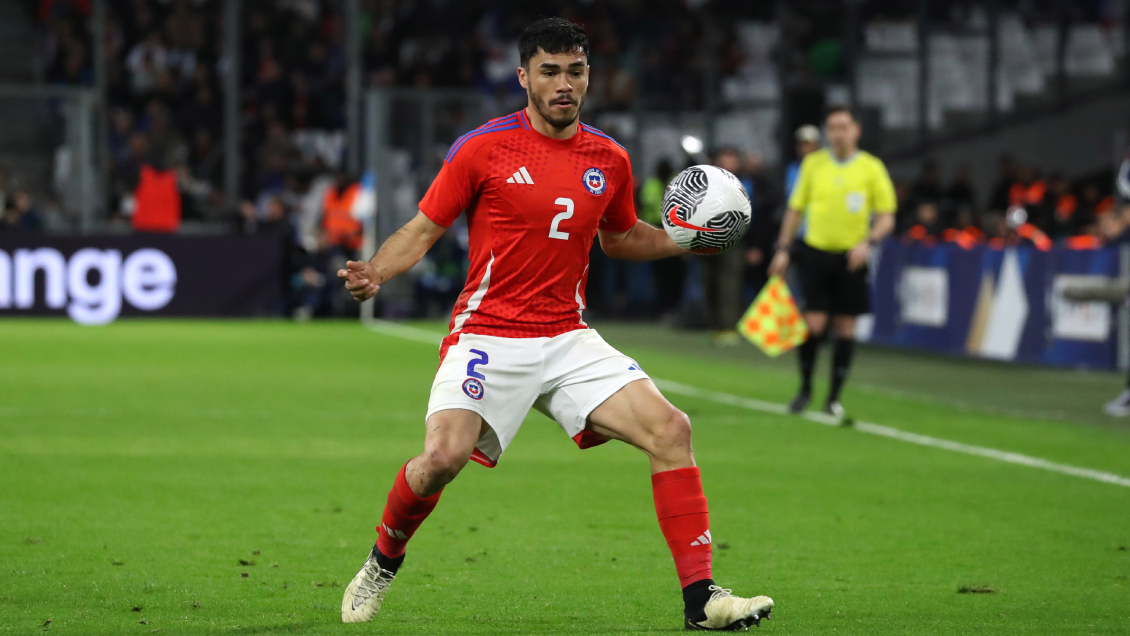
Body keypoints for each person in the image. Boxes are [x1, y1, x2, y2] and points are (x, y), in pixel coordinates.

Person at [335, 18, 773, 631]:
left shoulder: (609, 157)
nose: (564, 84)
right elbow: (424, 228)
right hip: (488, 332)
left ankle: (701, 600)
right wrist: (378, 271)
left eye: (576, 71)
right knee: (441, 456)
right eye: (550, 72)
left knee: (672, 430)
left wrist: (684, 241)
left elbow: (619, 239)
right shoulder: (482, 148)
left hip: (567, 336)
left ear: (589, 76)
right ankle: (383, 560)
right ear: (524, 78)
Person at [768, 106, 896, 420]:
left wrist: (868, 242)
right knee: (813, 324)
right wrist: (783, 248)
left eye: (844, 127)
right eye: (833, 127)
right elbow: (795, 209)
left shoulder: (871, 167)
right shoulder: (813, 164)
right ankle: (805, 389)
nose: (838, 133)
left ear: (857, 130)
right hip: (815, 252)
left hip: (851, 257)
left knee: (845, 326)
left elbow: (887, 215)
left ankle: (833, 398)